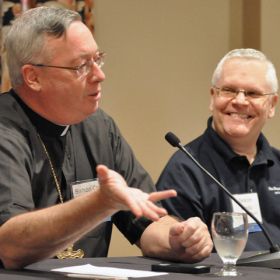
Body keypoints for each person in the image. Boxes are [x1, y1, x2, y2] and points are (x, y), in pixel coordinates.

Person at [0, 6, 212, 269]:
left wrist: (178, 239)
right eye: (81, 66)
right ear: (33, 77)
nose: (100, 75)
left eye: (97, 60)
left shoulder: (100, 127)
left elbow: (146, 223)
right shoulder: (4, 129)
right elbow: (10, 246)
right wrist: (98, 204)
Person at [157, 48, 279, 251]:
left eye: (252, 93)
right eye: (229, 90)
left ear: (272, 105)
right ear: (213, 97)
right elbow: (178, 254)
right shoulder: (185, 169)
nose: (240, 101)